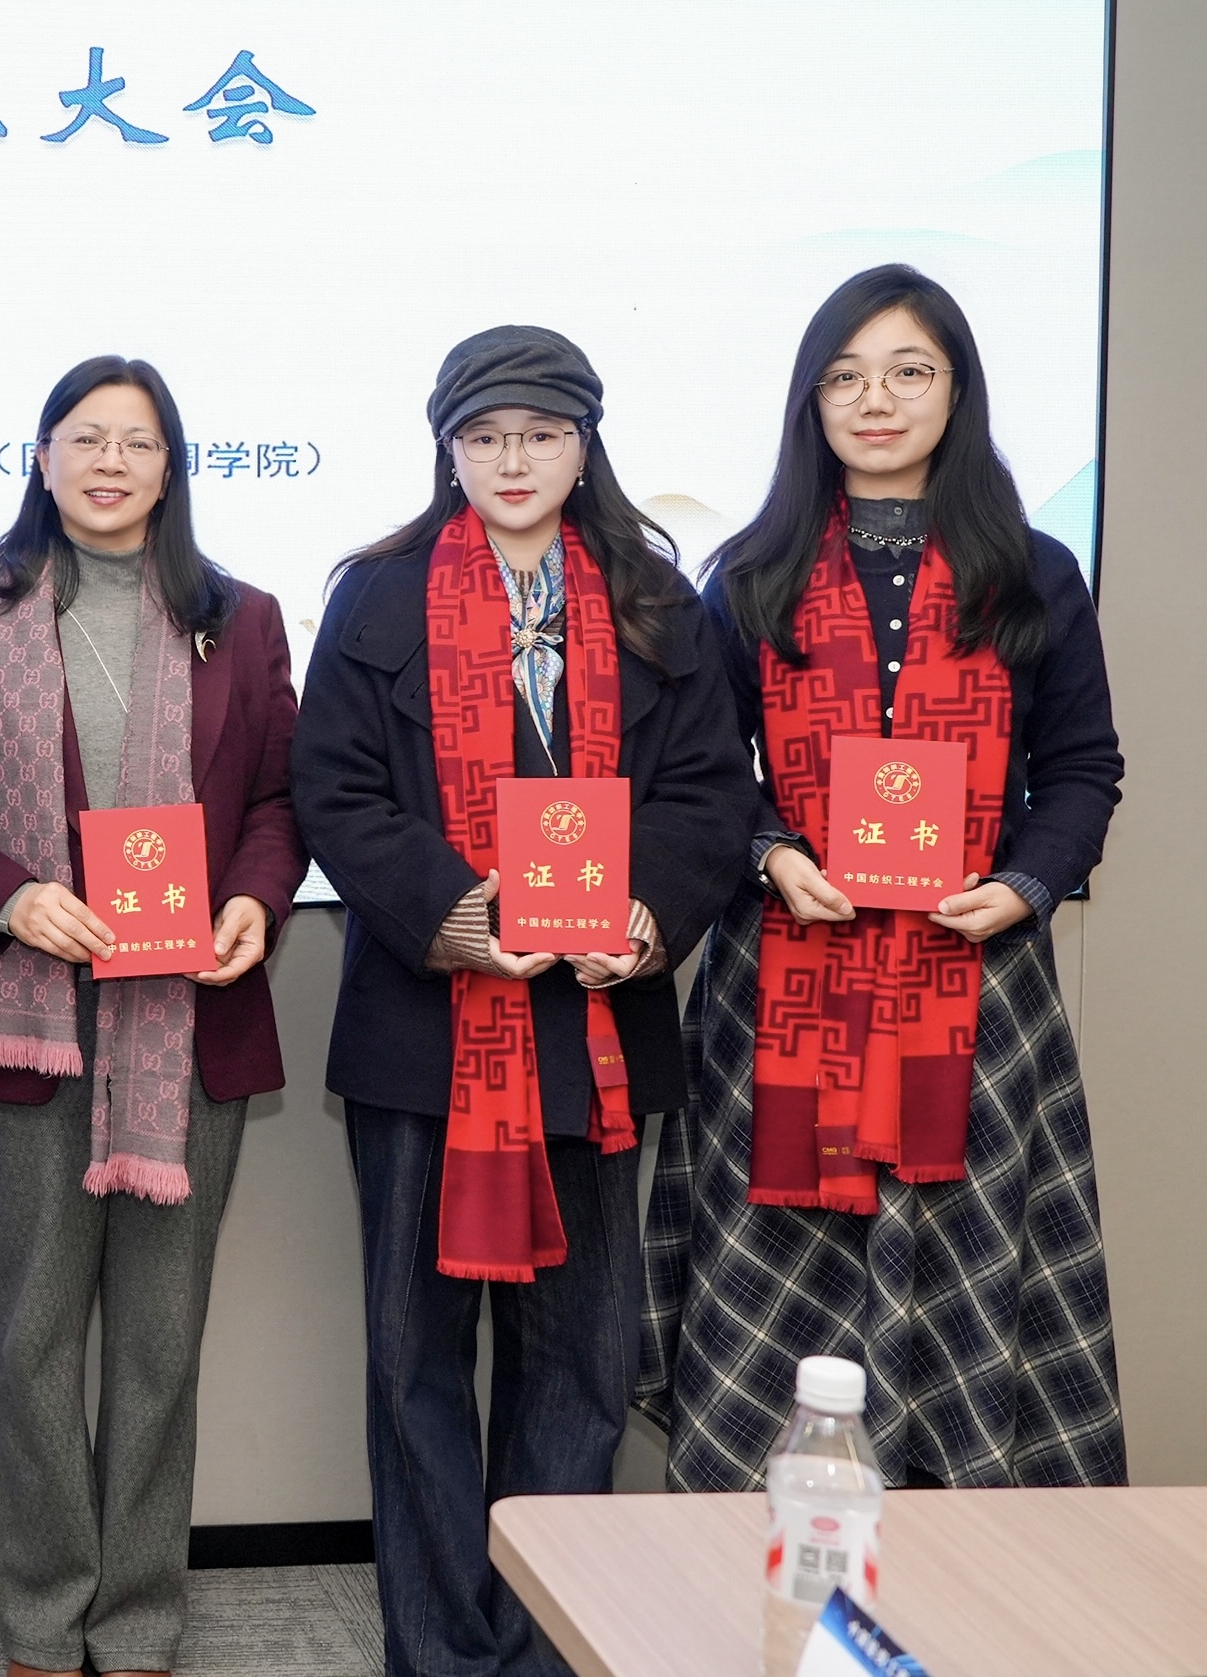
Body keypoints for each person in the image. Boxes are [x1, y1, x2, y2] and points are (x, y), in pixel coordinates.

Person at [291, 327, 749, 1676]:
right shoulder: (375, 597)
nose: (512, 460)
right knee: (413, 1359)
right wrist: (455, 915)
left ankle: (545, 1646)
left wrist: (648, 915)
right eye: (485, 436)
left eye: (541, 434)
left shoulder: (658, 601)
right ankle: (439, 1649)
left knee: (580, 1362)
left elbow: (712, 791)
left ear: (584, 446)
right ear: (448, 448)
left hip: (595, 1032)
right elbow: (332, 789)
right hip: (424, 1034)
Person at [639, 264, 1126, 1490]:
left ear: (957, 391)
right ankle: (766, 1550)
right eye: (845, 376)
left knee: (968, 1267)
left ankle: (963, 1555)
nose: (876, 399)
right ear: (811, 401)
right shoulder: (748, 573)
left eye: (909, 371)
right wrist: (772, 852)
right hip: (788, 977)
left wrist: (1027, 883)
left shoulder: (1033, 572)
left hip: (977, 979)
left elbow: (1084, 768)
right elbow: (707, 771)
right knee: (779, 1280)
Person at [0, 357, 304, 1677]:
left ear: (171, 467)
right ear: (40, 457)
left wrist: (253, 902)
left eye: (139, 443)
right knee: (32, 1336)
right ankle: (41, 1616)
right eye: (85, 438)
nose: (110, 463)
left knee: (159, 1341)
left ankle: (136, 1620)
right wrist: (7, 896)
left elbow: (279, 800)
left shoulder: (239, 619)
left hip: (188, 1024)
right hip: (27, 1022)